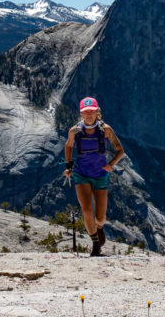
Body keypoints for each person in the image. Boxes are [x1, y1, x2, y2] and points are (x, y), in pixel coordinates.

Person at [63, 96, 125, 257]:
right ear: (81, 114)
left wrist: (111, 164)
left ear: (98, 112)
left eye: (91, 111)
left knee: (101, 217)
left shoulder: (106, 130)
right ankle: (95, 244)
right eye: (85, 112)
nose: (89, 114)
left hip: (100, 175)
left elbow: (120, 150)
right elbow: (69, 146)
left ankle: (99, 228)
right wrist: (68, 166)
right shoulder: (74, 131)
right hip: (81, 174)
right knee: (87, 211)